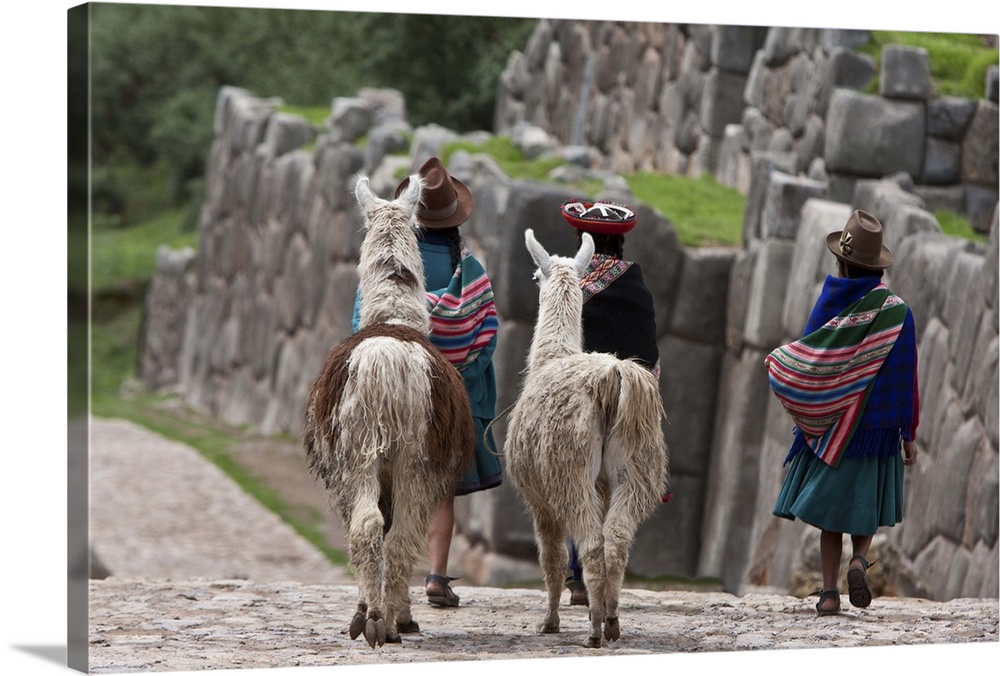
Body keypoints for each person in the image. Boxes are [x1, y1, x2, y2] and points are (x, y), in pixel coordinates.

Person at [352, 156, 502, 608]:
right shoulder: (469, 268)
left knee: (378, 479)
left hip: (381, 377)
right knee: (437, 489)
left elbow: (363, 322)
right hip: (447, 392)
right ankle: (435, 575)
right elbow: (486, 334)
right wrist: (460, 385)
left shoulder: (389, 260)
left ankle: (380, 588)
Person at [767, 209, 919, 617]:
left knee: (831, 519)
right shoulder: (898, 313)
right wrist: (908, 434)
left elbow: (812, 359)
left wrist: (807, 407)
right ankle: (860, 559)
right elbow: (907, 379)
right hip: (878, 432)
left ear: (842, 261)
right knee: (863, 508)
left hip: (834, 430)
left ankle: (829, 592)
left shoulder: (830, 300)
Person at [559, 198, 664, 607]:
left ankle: (579, 575)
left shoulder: (572, 288)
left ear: (581, 242)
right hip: (626, 401)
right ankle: (602, 572)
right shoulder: (638, 291)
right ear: (620, 246)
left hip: (581, 399)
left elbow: (560, 347)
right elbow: (647, 351)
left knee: (578, 480)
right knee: (616, 485)